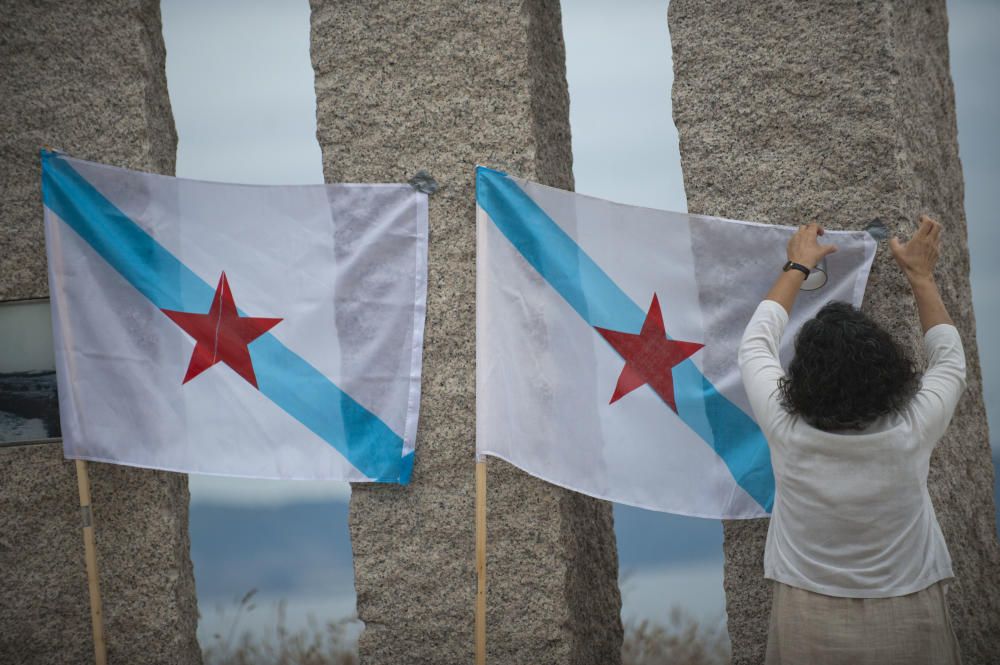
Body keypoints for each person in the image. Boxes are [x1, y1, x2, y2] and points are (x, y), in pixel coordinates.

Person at [738, 216, 966, 665]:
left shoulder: (788, 431)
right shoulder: (912, 428)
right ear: (887, 367)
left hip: (807, 615)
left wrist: (796, 267)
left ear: (803, 376)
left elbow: (755, 346)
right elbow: (949, 360)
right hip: (909, 610)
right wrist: (920, 275)